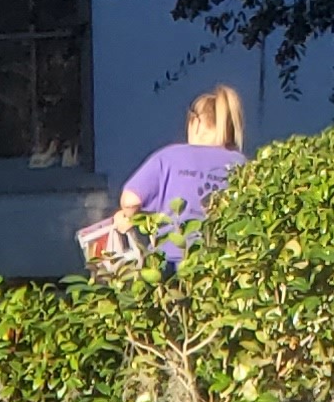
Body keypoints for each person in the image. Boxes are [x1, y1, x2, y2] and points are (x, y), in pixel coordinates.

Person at [84, 82, 247, 268]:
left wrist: (129, 217)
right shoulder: (241, 165)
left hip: (170, 264)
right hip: (221, 266)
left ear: (196, 123)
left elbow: (130, 200)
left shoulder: (170, 157)